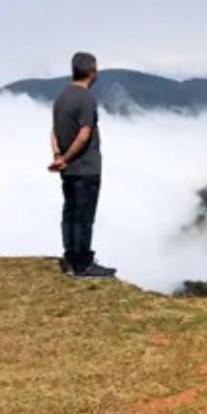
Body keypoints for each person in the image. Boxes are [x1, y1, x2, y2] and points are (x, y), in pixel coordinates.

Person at [48, 52, 116, 278]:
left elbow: (53, 132)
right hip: (85, 168)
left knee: (70, 213)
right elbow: (85, 134)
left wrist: (59, 156)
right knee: (84, 216)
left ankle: (70, 258)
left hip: (67, 171)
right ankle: (83, 264)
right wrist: (67, 158)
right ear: (92, 71)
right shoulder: (86, 99)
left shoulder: (61, 98)